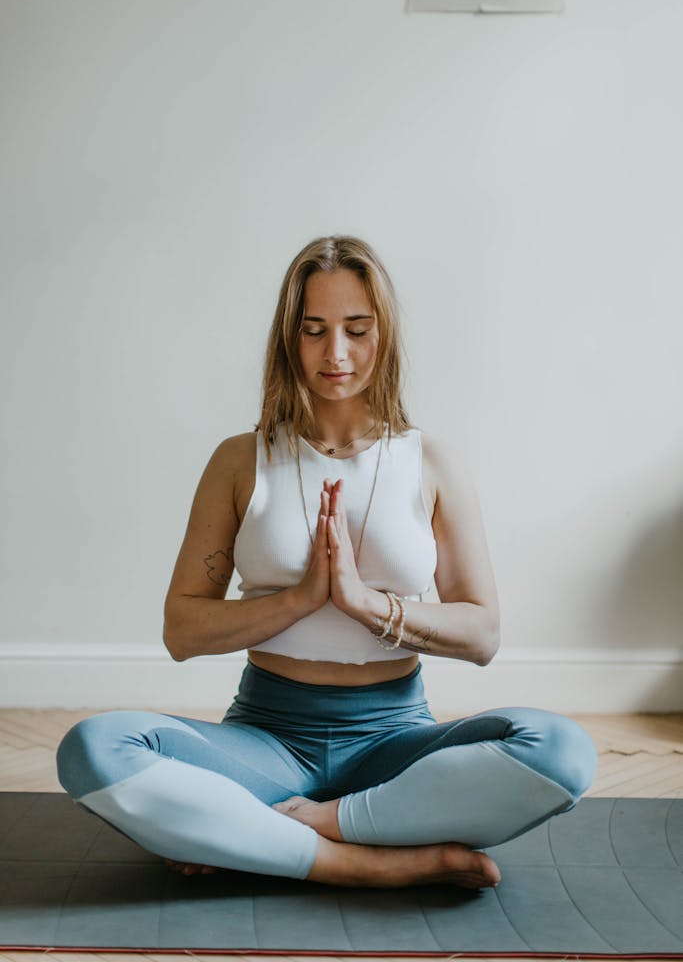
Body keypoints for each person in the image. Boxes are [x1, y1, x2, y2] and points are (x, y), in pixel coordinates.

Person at [56, 234, 597, 890]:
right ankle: (364, 860)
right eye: (313, 331)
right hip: (266, 740)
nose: (334, 353)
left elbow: (482, 636)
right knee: (93, 749)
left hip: (395, 742)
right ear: (290, 338)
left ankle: (289, 829)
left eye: (356, 329)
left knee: (561, 751)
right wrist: (298, 599)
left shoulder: (431, 463)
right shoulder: (239, 460)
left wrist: (363, 603)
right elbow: (181, 631)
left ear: (384, 335)